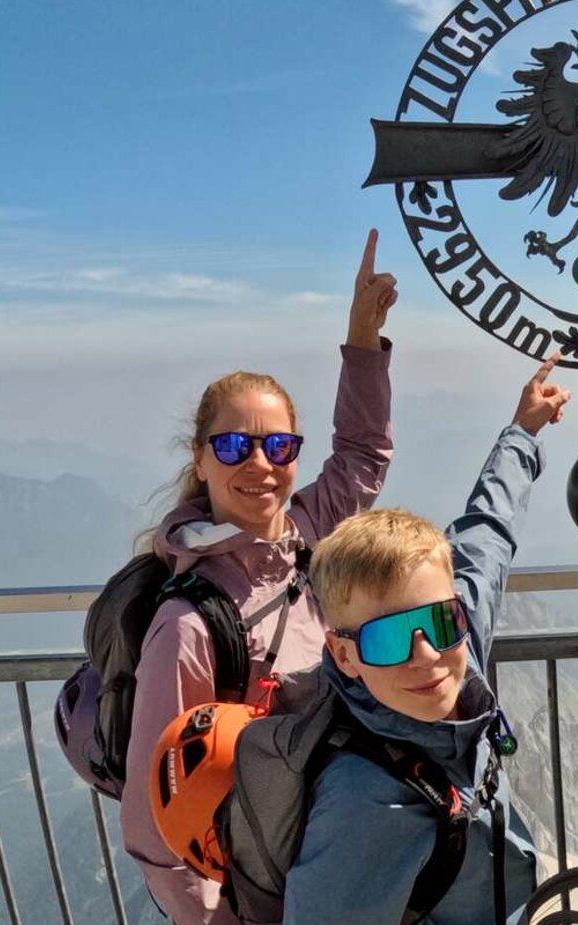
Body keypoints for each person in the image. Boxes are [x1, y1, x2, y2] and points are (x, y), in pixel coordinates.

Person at [122, 230, 399, 923]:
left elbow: (362, 456)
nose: (260, 465)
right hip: (264, 893)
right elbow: (154, 820)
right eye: (233, 446)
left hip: (335, 858)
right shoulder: (188, 627)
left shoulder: (304, 536)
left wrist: (362, 339)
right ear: (200, 458)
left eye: (278, 445)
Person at [288, 355, 571, 924]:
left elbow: (488, 532)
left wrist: (523, 432)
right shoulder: (362, 804)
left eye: (439, 622)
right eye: (387, 638)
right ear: (344, 655)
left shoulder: (458, 644)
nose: (426, 655)